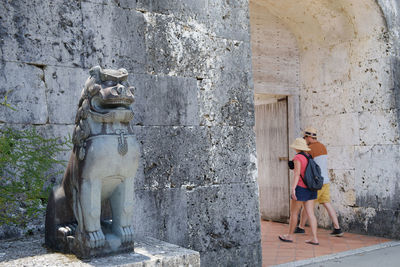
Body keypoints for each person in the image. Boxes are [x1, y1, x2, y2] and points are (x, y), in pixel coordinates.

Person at [294, 127, 343, 237]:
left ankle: (301, 227)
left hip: (315, 183)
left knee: (307, 204)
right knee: (326, 203)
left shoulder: (309, 149)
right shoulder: (323, 147)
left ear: (309, 137)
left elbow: (306, 165)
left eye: (305, 137)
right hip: (325, 181)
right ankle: (337, 228)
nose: (305, 140)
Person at [279, 138, 319, 245]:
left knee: (294, 213)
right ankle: (315, 238)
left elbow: (297, 174)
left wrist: (293, 188)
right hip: (311, 188)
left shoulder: (298, 157)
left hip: (301, 188)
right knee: (311, 214)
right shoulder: (309, 156)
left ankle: (290, 236)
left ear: (297, 147)